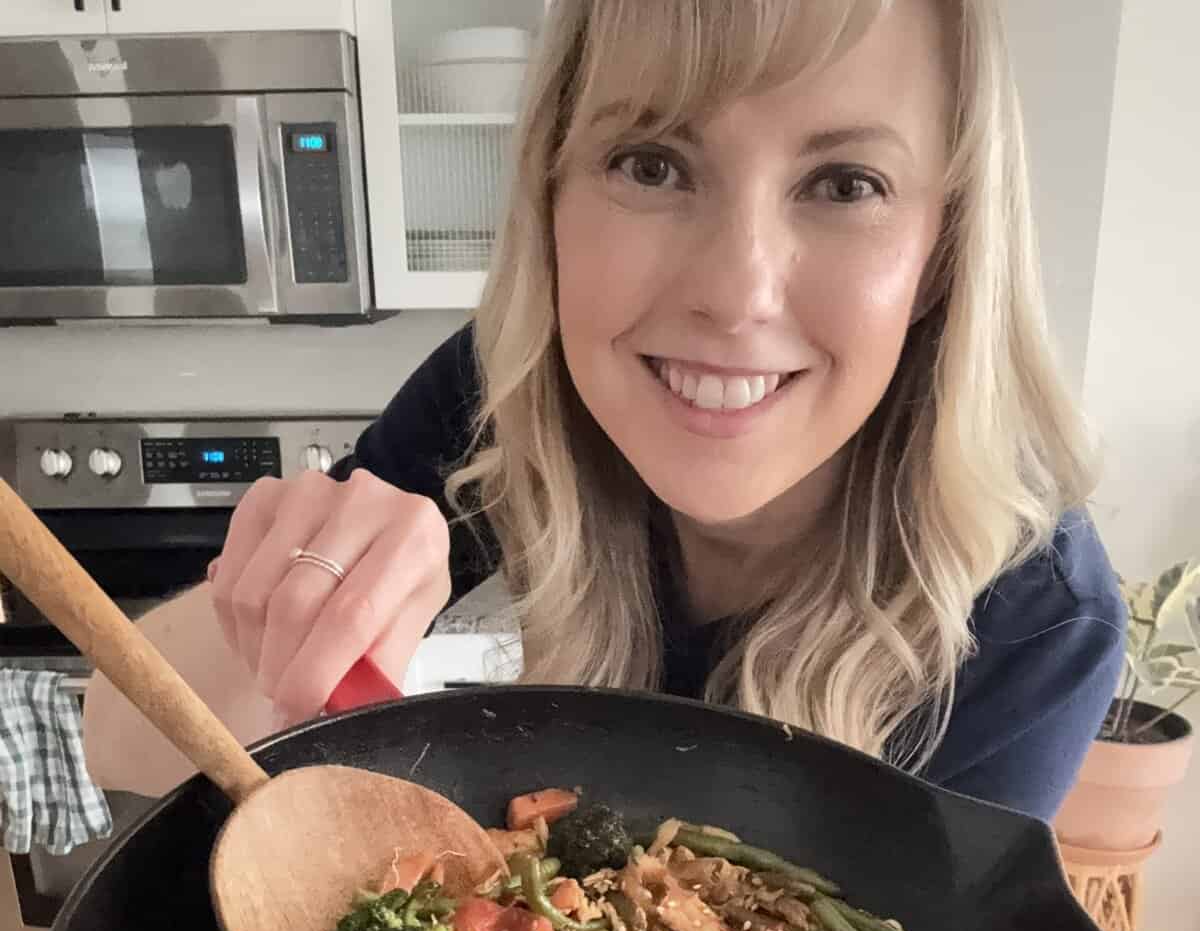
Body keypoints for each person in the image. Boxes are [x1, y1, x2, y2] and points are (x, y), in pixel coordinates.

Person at [85, 0, 1124, 819]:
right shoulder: (508, 390)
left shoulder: (1036, 614)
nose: (737, 290)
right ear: (551, 201)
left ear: (942, 253)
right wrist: (279, 611)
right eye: (653, 164)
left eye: (845, 184)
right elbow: (116, 739)